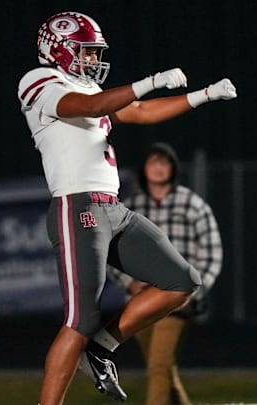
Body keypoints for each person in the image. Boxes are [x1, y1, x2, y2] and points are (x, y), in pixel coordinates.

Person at [17, 11, 236, 405]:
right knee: (79, 319)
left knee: (182, 280)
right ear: (59, 50)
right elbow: (90, 105)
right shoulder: (38, 81)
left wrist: (202, 96)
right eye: (84, 52)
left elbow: (141, 112)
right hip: (77, 207)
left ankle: (100, 348)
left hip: (114, 209)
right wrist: (149, 82)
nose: (90, 61)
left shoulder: (81, 84)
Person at [107, 142, 223, 405]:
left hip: (175, 298)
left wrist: (193, 291)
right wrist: (128, 283)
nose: (158, 168)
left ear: (173, 168)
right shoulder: (130, 206)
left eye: (164, 162)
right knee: (163, 369)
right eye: (153, 162)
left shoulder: (192, 204)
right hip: (141, 298)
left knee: (158, 367)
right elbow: (108, 251)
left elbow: (212, 254)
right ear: (144, 168)